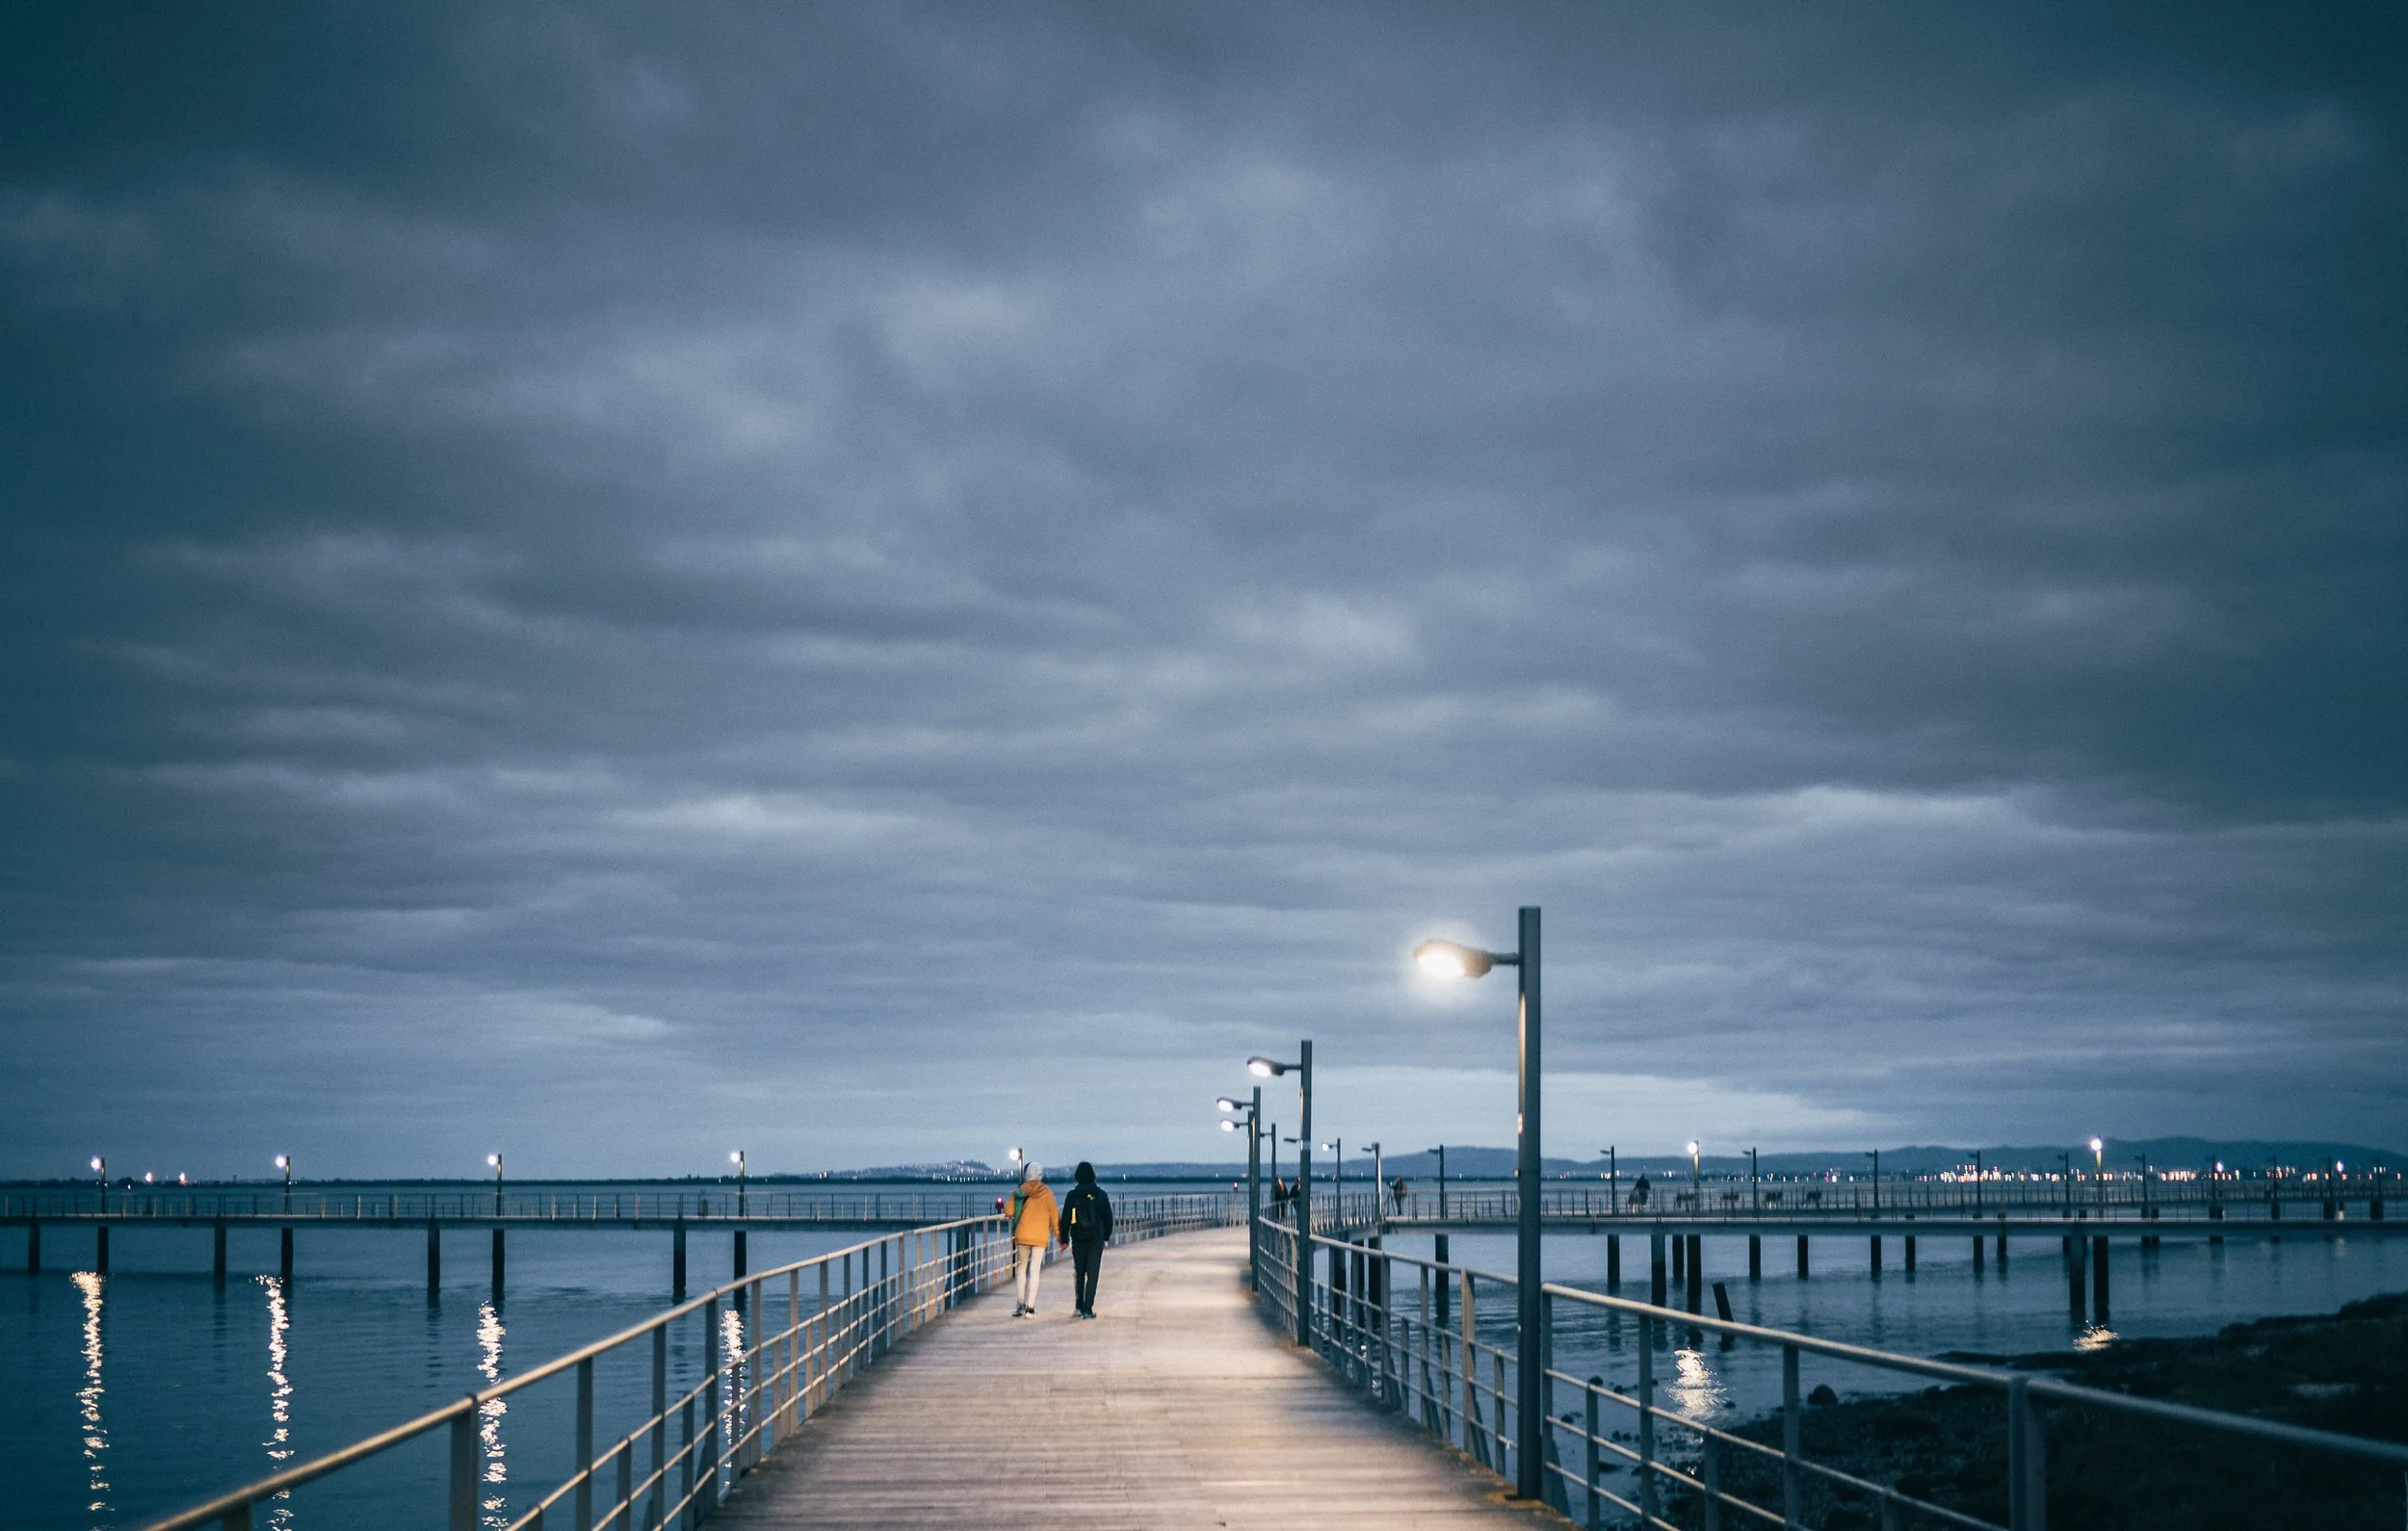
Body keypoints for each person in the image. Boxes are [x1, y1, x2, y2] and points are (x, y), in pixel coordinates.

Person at [1059, 1161, 1115, 1318]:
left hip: (1077, 1238)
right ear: (1093, 1176)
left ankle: (1078, 1305)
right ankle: (1088, 1309)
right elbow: (1108, 1219)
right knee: (1093, 1273)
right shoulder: (1101, 1195)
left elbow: (1066, 1219)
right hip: (1096, 1239)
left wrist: (1064, 1239)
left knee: (1079, 1272)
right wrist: (1106, 1237)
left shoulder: (1072, 1195)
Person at [1005, 1161, 1058, 1316]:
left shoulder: (1019, 1191)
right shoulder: (1047, 1193)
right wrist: (1060, 1236)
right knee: (1035, 1270)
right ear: (1040, 1175)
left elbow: (1008, 1211)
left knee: (1021, 1268)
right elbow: (1054, 1216)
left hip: (1022, 1235)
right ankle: (1030, 1308)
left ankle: (1020, 1303)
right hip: (1040, 1236)